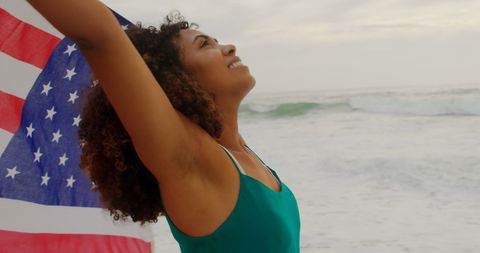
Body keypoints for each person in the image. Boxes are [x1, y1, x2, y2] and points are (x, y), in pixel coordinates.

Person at [27, 0, 301, 252]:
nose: (228, 47)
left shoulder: (244, 156)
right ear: (175, 79)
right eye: (206, 45)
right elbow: (102, 38)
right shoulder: (190, 158)